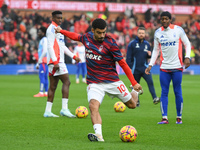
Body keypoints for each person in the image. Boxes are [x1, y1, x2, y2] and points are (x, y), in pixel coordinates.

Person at [55, 18, 143, 142]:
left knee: (132, 105)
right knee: (93, 106)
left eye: (104, 32)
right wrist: (61, 31)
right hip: (94, 82)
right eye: (99, 33)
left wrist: (134, 83)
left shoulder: (111, 43)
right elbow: (75, 36)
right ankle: (99, 136)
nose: (102, 35)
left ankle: (135, 92)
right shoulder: (87, 37)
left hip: (112, 81)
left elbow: (122, 63)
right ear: (93, 31)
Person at [145, 11, 191, 124]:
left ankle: (179, 117)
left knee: (177, 92)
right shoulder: (157, 33)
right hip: (164, 68)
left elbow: (187, 44)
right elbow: (156, 50)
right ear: (160, 20)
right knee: (164, 92)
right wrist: (150, 64)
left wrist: (187, 57)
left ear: (170, 20)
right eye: (162, 19)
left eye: (166, 19)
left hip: (177, 67)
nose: (164, 20)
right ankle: (164, 118)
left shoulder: (178, 30)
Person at [43, 11, 81, 118]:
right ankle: (64, 109)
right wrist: (55, 61)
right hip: (56, 61)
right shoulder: (51, 29)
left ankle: (48, 111)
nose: (60, 20)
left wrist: (73, 56)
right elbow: (50, 46)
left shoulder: (59, 30)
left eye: (61, 18)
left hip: (56, 61)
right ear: (53, 17)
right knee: (67, 82)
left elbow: (62, 46)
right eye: (58, 18)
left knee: (53, 86)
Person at [126, 27, 160, 107]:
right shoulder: (132, 44)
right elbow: (128, 57)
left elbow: (148, 57)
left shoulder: (147, 44)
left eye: (143, 33)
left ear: (145, 34)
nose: (141, 34)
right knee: (135, 87)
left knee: (150, 82)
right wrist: (129, 67)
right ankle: (136, 102)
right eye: (140, 33)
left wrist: (149, 55)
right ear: (137, 34)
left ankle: (154, 98)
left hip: (145, 68)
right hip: (135, 69)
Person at [34, 26, 48, 97]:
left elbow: (45, 51)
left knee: (42, 77)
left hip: (43, 61)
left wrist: (39, 61)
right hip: (44, 61)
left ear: (43, 33)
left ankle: (41, 92)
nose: (38, 33)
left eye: (39, 32)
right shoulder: (43, 40)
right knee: (45, 77)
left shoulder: (44, 39)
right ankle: (46, 92)